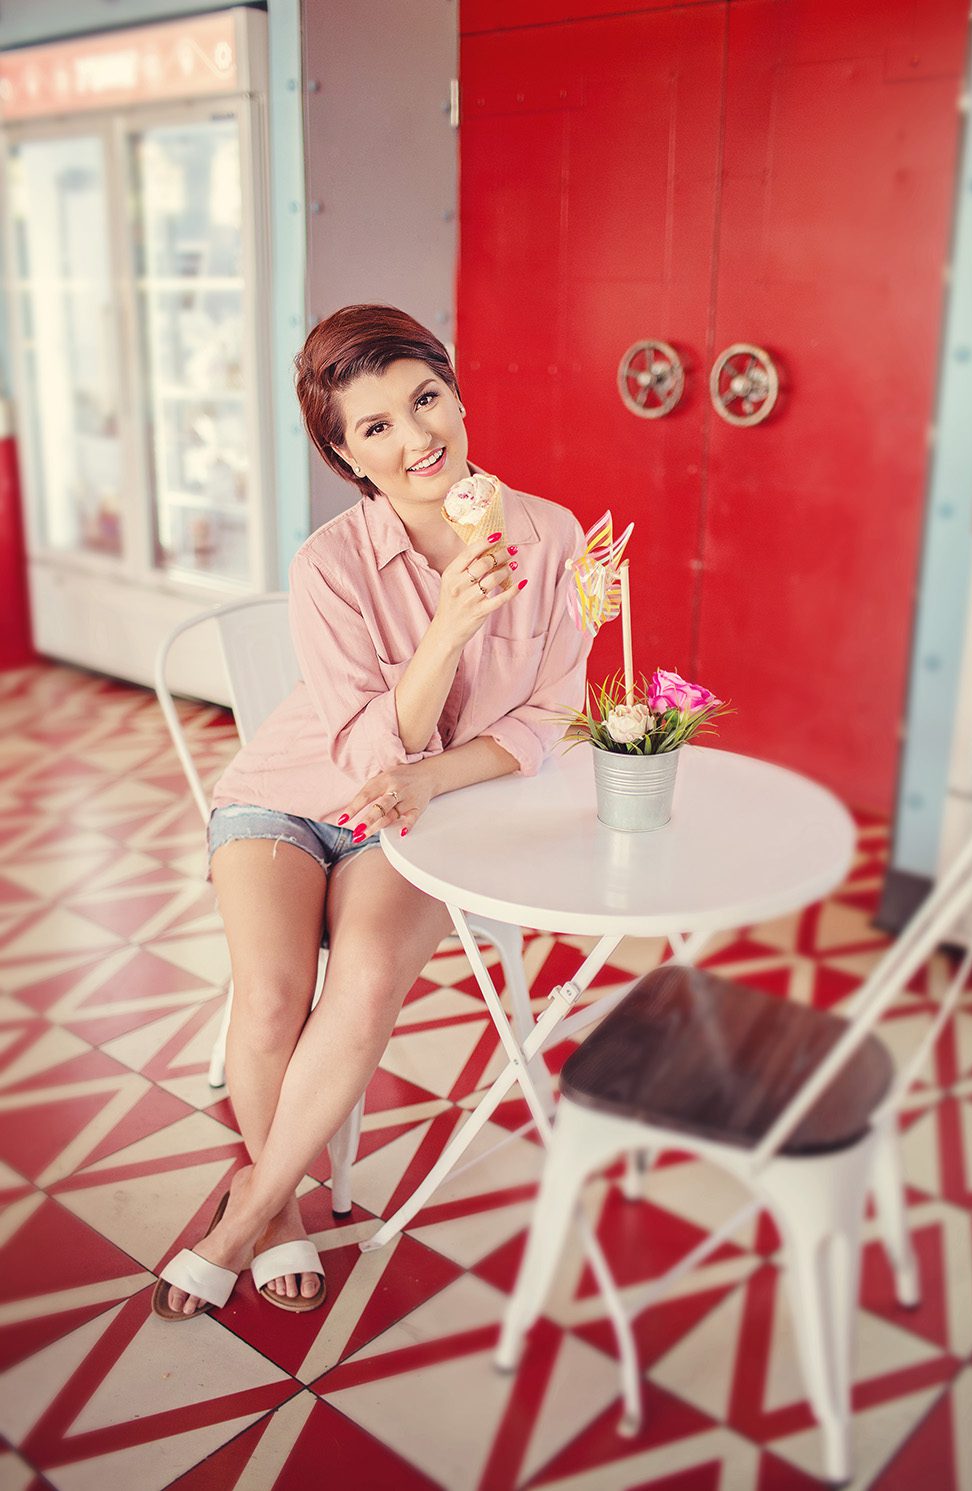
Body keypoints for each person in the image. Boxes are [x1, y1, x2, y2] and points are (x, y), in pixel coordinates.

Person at [155, 304, 589, 1319]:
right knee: (266, 1000)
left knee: (360, 984)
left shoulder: (551, 536)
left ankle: (243, 1214)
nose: (416, 437)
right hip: (288, 799)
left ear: (458, 393)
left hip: (416, 815)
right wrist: (445, 632)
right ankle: (287, 1216)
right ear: (346, 458)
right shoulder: (329, 565)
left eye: (425, 399)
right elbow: (361, 751)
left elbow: (555, 712)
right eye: (377, 428)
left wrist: (432, 782)